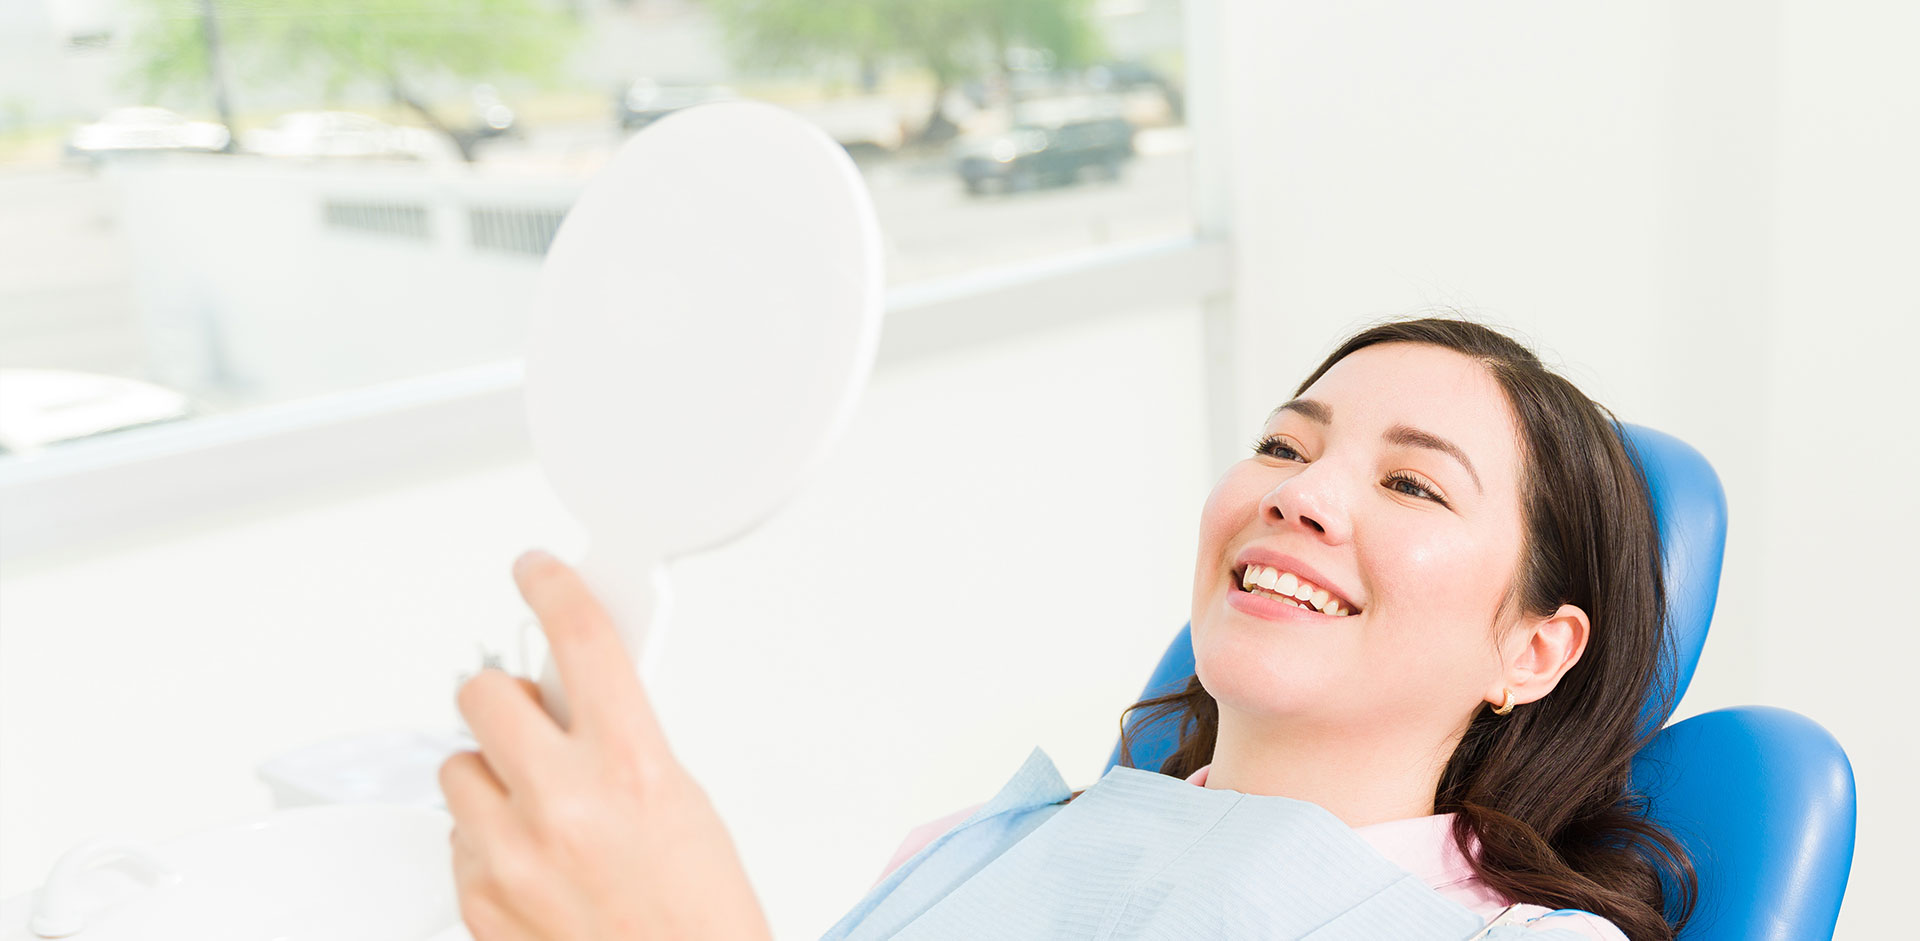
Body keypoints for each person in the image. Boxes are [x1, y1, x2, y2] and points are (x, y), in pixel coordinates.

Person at [440, 317, 1698, 940]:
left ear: (1532, 649)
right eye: (1282, 444)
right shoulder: (983, 848)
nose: (1300, 491)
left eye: (1411, 484)